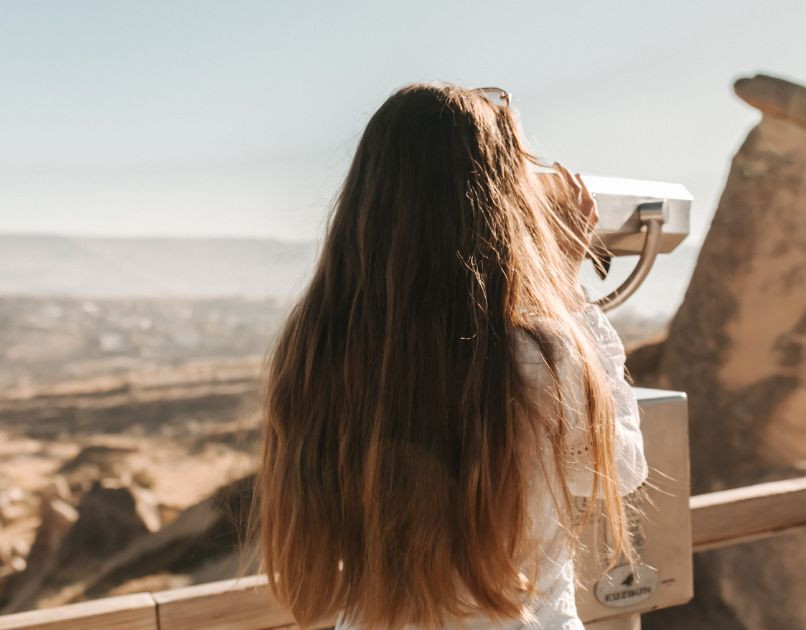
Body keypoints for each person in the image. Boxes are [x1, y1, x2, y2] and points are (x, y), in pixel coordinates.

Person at [255, 83, 648, 629]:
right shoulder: (535, 357)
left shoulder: (316, 347)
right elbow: (621, 467)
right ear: (500, 200)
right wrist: (565, 287)